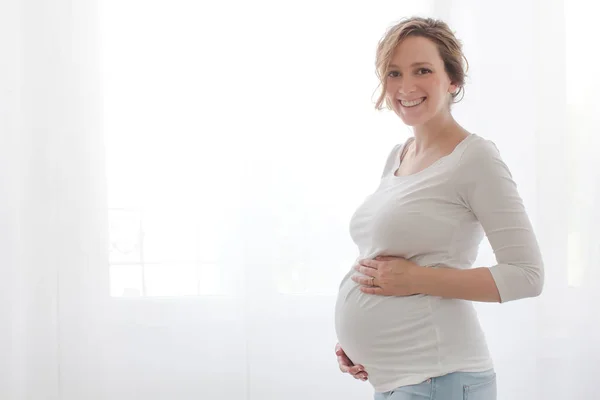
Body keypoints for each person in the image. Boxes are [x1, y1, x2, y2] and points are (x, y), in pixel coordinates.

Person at [333, 17, 544, 400]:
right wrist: (355, 344)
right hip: (398, 380)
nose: (405, 86)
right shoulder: (398, 155)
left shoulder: (475, 157)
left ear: (453, 81)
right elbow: (380, 260)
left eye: (423, 70)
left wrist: (416, 279)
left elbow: (527, 275)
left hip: (440, 379)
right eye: (394, 73)